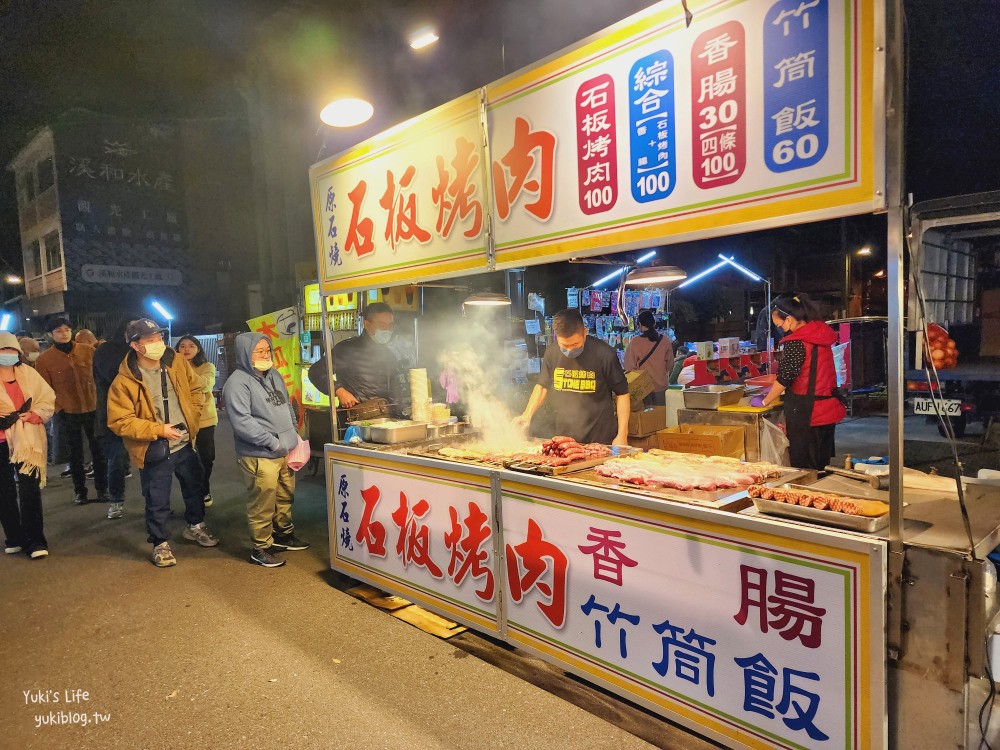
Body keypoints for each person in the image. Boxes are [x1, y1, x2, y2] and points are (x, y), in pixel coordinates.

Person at [107, 318, 218, 568]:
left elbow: (197, 389)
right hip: (154, 446)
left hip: (185, 441)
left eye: (158, 338)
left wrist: (193, 418)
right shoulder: (124, 380)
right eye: (150, 340)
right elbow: (120, 421)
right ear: (135, 345)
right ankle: (159, 542)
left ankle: (196, 526)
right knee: (157, 498)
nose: (158, 343)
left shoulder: (175, 361)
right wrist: (159, 430)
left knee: (195, 487)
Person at [223, 333, 307, 568]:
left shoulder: (274, 375)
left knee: (284, 495)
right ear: (244, 354)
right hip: (259, 454)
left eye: (267, 350)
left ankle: (283, 535)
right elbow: (243, 423)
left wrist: (293, 432)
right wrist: (272, 442)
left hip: (285, 450)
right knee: (262, 501)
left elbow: (287, 405)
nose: (264, 355)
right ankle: (261, 546)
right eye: (258, 351)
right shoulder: (237, 383)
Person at [755, 294, 847, 470]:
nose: (780, 328)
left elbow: (786, 377)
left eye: (779, 324)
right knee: (821, 467)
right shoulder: (819, 334)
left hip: (809, 414)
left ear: (789, 319)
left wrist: (764, 401)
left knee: (805, 469)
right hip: (827, 410)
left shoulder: (797, 342)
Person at [515, 308, 630, 445]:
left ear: (585, 333)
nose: (569, 350)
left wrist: (622, 433)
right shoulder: (552, 353)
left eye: (575, 344)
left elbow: (622, 393)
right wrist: (527, 415)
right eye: (564, 345)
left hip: (600, 439)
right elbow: (542, 386)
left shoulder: (605, 354)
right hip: (564, 438)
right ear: (556, 337)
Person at [35, 317, 108, 505]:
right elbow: (44, 388)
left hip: (92, 408)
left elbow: (100, 377)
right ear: (51, 335)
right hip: (67, 412)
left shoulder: (88, 351)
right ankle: (80, 492)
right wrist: (59, 409)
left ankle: (102, 489)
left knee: (98, 451)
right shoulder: (44, 360)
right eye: (59, 331)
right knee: (75, 455)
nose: (64, 333)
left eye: (67, 329)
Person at [0, 333, 56, 559]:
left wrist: (37, 414)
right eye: (3, 350)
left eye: (12, 350)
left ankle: (35, 540)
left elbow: (47, 398)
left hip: (27, 440)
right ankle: (14, 537)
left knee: (29, 490)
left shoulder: (29, 374)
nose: (8, 355)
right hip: (1, 441)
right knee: (4, 492)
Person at [320, 302, 400, 420]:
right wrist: (339, 390)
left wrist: (400, 418)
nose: (387, 330)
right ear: (367, 325)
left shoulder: (389, 355)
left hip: (384, 420)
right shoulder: (346, 349)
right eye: (382, 325)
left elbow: (395, 393)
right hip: (354, 422)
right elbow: (316, 372)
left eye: (390, 325)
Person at [93, 318, 136, 520]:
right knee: (116, 458)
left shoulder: (141, 348)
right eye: (131, 327)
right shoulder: (105, 351)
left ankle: (155, 501)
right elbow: (113, 376)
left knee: (152, 460)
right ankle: (116, 500)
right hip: (113, 413)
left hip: (142, 414)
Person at [176, 335, 217, 507]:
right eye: (183, 346)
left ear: (198, 349)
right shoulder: (171, 368)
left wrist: (184, 368)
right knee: (185, 461)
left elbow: (205, 385)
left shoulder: (207, 367)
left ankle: (204, 488)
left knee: (207, 458)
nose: (186, 349)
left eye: (191, 346)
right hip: (181, 421)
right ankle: (192, 494)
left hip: (204, 421)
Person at [623, 310, 674, 406]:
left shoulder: (635, 342)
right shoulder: (665, 341)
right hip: (661, 387)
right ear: (654, 323)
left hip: (643, 388)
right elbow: (670, 365)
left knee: (645, 418)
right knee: (660, 416)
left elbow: (629, 366)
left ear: (640, 324)